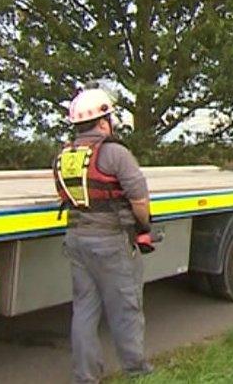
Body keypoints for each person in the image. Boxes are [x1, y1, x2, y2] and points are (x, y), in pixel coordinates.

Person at [54, 89, 153, 383]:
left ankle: (85, 377)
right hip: (110, 241)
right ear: (103, 121)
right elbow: (140, 200)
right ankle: (136, 370)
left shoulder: (65, 156)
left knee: (84, 309)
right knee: (126, 307)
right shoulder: (115, 153)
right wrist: (143, 227)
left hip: (76, 239)